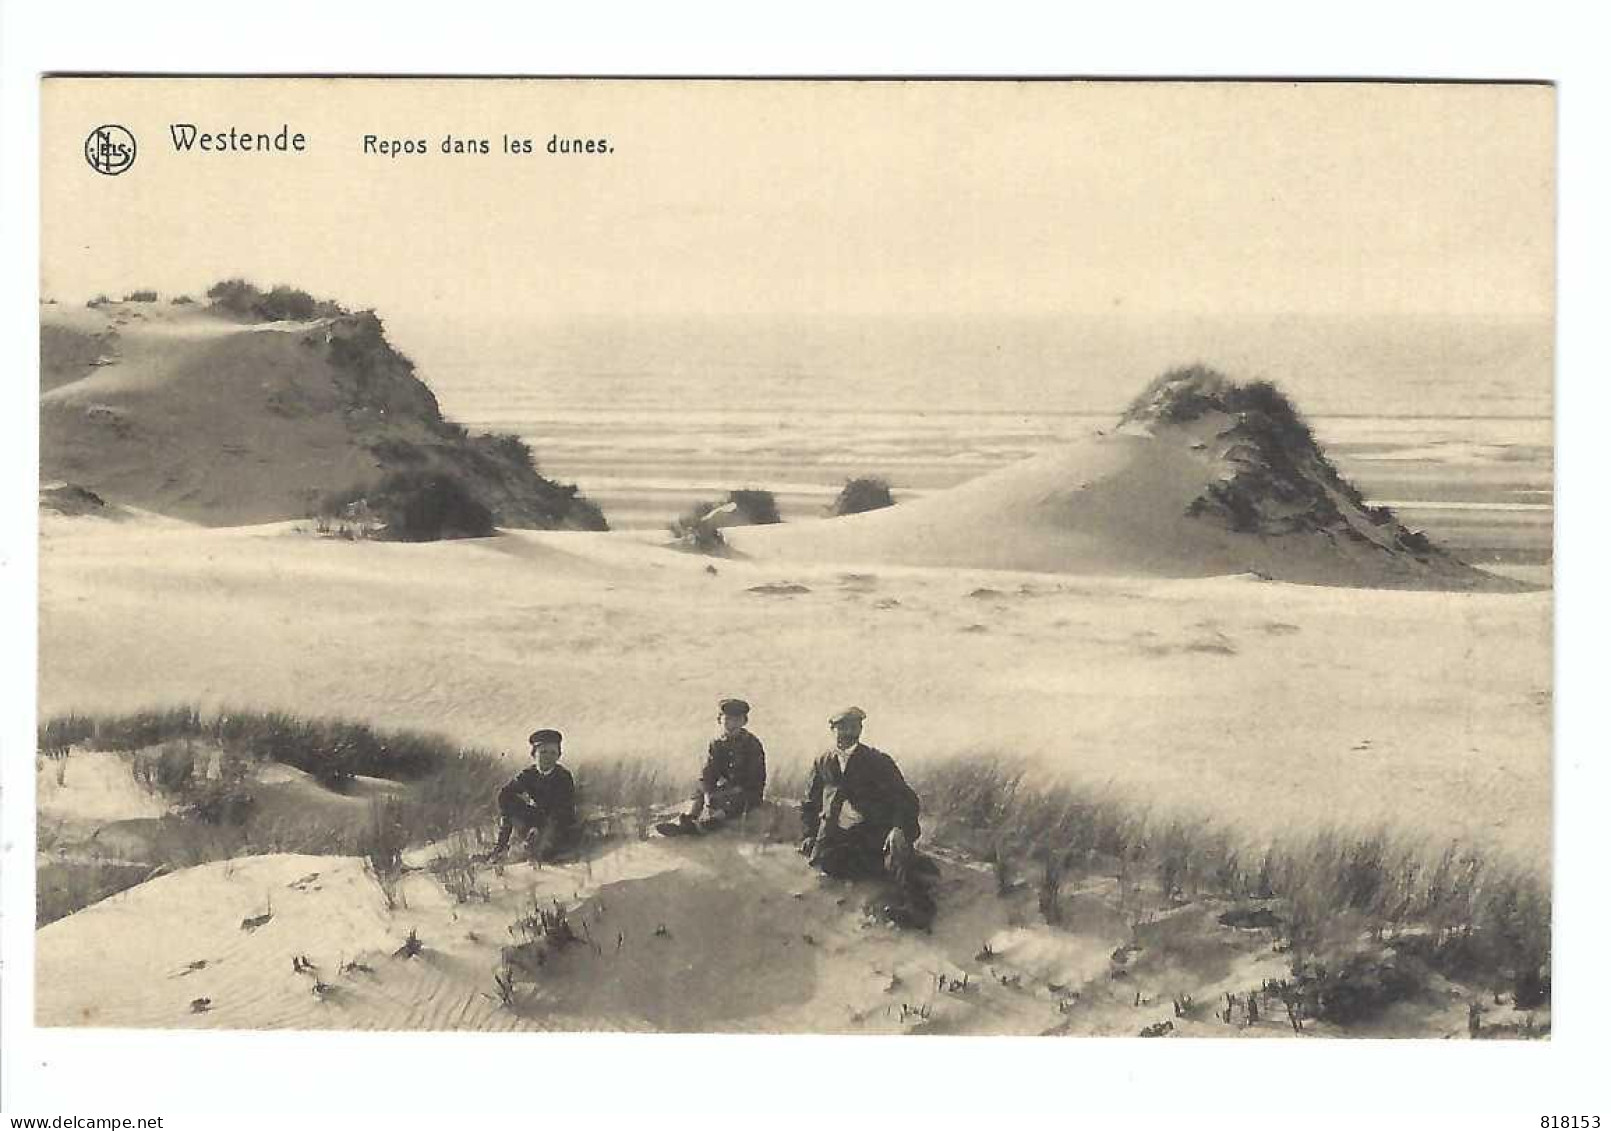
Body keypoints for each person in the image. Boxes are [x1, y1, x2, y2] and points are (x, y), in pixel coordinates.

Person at [799, 707, 925, 888]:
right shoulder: (823, 761)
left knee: (888, 873)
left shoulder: (878, 761)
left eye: (854, 728)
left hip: (870, 831)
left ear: (860, 730)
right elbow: (811, 802)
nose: (848, 733)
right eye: (842, 728)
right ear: (832, 730)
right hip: (834, 833)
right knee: (827, 866)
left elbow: (905, 798)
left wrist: (898, 828)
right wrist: (809, 834)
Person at [657, 698, 767, 836]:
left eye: (736, 720)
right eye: (727, 719)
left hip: (747, 792)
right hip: (725, 789)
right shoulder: (717, 744)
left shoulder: (752, 744)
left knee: (734, 801)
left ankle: (709, 824)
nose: (731, 724)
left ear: (744, 722)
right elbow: (709, 773)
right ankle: (688, 820)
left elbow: (755, 779)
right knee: (700, 790)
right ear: (719, 720)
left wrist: (733, 790)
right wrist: (708, 791)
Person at [486, 728, 579, 862]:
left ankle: (538, 847)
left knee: (546, 854)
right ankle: (503, 847)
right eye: (543, 752)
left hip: (559, 824)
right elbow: (505, 795)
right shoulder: (528, 775)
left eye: (553, 753)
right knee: (507, 799)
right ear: (534, 754)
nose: (548, 757)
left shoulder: (563, 776)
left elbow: (562, 812)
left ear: (559, 756)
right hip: (537, 819)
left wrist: (541, 832)